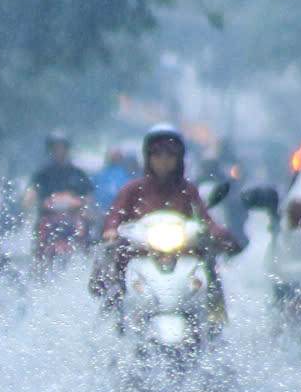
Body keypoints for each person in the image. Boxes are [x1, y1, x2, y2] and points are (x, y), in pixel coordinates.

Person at [89, 123, 245, 321]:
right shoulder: (133, 189)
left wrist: (216, 232)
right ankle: (113, 315)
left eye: (170, 155)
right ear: (148, 157)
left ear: (179, 158)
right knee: (114, 258)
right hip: (141, 251)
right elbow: (115, 215)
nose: (164, 161)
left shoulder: (188, 190)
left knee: (209, 261)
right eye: (157, 154)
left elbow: (204, 219)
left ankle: (216, 317)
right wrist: (111, 231)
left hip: (183, 253)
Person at [93, 146, 137, 214]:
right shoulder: (101, 174)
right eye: (113, 155)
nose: (115, 157)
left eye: (117, 154)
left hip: (123, 207)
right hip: (105, 208)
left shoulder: (128, 171)